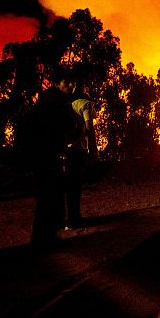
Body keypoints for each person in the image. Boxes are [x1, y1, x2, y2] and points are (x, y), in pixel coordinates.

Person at [25, 72, 79, 248]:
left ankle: (42, 235)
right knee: (52, 194)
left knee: (46, 195)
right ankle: (46, 237)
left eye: (73, 84)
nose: (71, 87)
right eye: (68, 83)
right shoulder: (57, 100)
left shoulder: (44, 99)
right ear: (60, 83)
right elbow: (68, 123)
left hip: (39, 153)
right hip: (49, 154)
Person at [63, 86, 97, 229]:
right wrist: (93, 149)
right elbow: (89, 127)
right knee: (75, 187)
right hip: (79, 150)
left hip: (67, 149)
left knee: (69, 186)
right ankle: (73, 220)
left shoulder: (70, 105)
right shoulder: (86, 104)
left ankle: (67, 218)